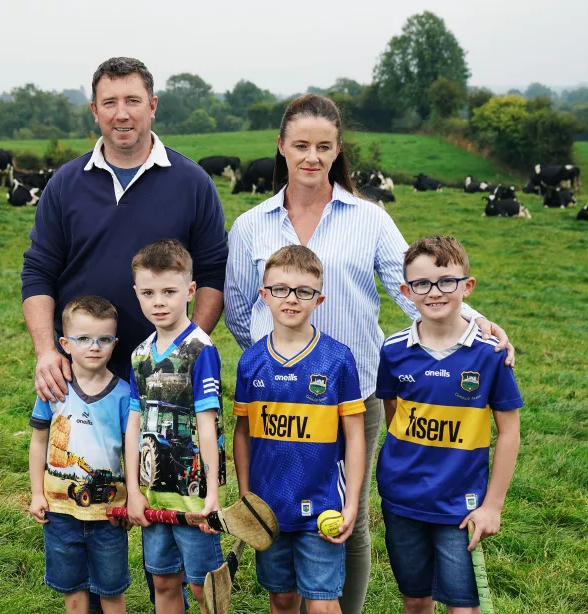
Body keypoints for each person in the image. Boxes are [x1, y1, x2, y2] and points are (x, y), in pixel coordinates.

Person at [223, 93, 516, 614]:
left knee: (346, 516)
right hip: (280, 400)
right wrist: (275, 360)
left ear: (338, 151)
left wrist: (477, 324)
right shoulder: (251, 224)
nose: (311, 157)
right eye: (301, 146)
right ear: (281, 147)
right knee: (281, 510)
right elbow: (240, 309)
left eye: (324, 146)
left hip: (356, 393)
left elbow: (415, 293)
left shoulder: (370, 218)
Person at [21, 56, 228, 612]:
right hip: (84, 376)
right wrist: (47, 350)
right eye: (109, 102)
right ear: (94, 110)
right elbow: (38, 271)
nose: (121, 113)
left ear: (152, 106)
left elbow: (212, 273)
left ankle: (199, 587)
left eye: (132, 100)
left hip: (164, 390)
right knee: (90, 512)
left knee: (177, 514)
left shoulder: (190, 181)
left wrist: (181, 355)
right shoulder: (66, 183)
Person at [375, 236, 522, 614]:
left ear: (466, 286)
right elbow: (394, 412)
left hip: (461, 504)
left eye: (446, 281)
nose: (434, 292)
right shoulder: (393, 350)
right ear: (407, 291)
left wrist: (493, 506)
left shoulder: (490, 355)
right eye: (422, 284)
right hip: (402, 498)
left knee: (463, 605)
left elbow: (508, 433)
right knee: (415, 598)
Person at [233, 245, 366, 614]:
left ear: (319, 298)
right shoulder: (251, 361)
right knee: (282, 598)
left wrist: (351, 502)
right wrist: (247, 496)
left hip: (322, 505)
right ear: (264, 295)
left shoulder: (337, 359)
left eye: (303, 291)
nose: (291, 299)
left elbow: (355, 435)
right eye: (280, 289)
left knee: (323, 604)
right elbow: (242, 433)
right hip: (269, 506)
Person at [125, 240, 227, 614]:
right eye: (148, 293)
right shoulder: (139, 355)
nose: (159, 302)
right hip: (152, 495)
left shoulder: (201, 350)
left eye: (169, 291)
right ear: (136, 293)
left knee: (204, 588)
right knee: (164, 580)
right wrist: (134, 491)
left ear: (189, 290)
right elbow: (134, 425)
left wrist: (212, 493)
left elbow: (206, 423)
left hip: (194, 496)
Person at [28, 296, 132, 614]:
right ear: (65, 344)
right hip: (59, 512)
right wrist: (36, 494)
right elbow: (38, 441)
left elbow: (132, 452)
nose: (94, 347)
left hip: (110, 515)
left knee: (112, 587)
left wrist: (133, 499)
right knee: (73, 588)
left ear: (114, 343)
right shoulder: (54, 390)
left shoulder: (124, 395)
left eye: (103, 339)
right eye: (83, 339)